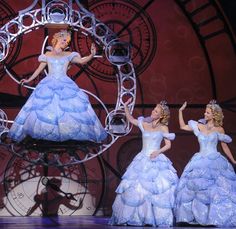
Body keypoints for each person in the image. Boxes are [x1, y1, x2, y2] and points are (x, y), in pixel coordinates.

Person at [8, 30, 107, 142]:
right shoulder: (48, 55)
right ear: (57, 39)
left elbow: (81, 61)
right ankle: (45, 135)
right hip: (48, 83)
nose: (66, 43)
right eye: (64, 40)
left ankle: (66, 133)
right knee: (42, 108)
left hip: (64, 83)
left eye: (67, 41)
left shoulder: (69, 54)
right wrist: (28, 80)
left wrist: (91, 55)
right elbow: (38, 70)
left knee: (69, 108)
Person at [109, 98, 178, 226]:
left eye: (156, 111)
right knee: (137, 188)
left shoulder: (164, 128)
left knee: (156, 189)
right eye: (153, 109)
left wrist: (158, 152)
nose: (153, 111)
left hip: (156, 158)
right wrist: (125, 107)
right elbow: (131, 119)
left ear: (161, 115)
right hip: (142, 158)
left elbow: (168, 145)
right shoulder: (144, 123)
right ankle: (137, 217)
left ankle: (153, 217)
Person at [175, 100, 236, 227]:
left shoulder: (219, 129)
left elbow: (224, 147)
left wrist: (233, 160)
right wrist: (180, 111)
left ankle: (212, 219)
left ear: (214, 115)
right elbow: (182, 127)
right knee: (193, 188)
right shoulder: (199, 126)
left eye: (207, 112)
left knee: (214, 189)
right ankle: (191, 217)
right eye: (205, 111)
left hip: (214, 161)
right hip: (199, 160)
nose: (205, 113)